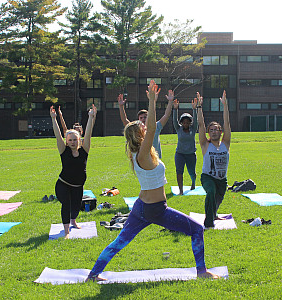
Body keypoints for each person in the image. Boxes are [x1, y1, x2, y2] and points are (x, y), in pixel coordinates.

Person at [85, 81, 219, 282]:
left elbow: (148, 126)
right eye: (143, 127)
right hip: (156, 209)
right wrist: (151, 101)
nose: (146, 127)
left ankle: (93, 275)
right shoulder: (144, 152)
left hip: (141, 207)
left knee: (120, 241)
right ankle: (202, 271)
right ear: (140, 135)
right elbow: (151, 124)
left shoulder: (143, 153)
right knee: (197, 229)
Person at [50, 104, 97, 239]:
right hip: (63, 184)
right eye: (69, 140)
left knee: (76, 207)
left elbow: (88, 134)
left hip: (78, 186)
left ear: (78, 140)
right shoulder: (63, 151)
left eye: (74, 139)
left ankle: (73, 221)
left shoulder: (84, 150)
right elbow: (58, 135)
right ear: (67, 141)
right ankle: (66, 231)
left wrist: (90, 117)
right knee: (66, 204)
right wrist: (54, 119)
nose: (72, 142)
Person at [196, 90, 231, 229]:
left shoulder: (225, 143)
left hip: (222, 180)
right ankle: (209, 223)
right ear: (208, 133)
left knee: (217, 200)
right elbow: (200, 125)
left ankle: (214, 214)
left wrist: (225, 105)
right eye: (211, 130)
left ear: (221, 132)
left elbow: (227, 123)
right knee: (210, 192)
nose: (214, 131)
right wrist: (199, 107)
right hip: (208, 177)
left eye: (216, 129)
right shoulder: (205, 144)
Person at [117, 90, 174, 158]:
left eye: (145, 117)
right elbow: (125, 120)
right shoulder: (136, 129)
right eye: (141, 118)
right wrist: (121, 106)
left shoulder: (157, 126)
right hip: (143, 159)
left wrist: (170, 102)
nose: (143, 119)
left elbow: (166, 115)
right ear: (138, 119)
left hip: (155, 159)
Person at [173, 96, 198, 195]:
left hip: (191, 154)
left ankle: (193, 183)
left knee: (192, 171)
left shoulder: (193, 128)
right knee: (179, 171)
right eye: (184, 122)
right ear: (181, 123)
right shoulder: (178, 129)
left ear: (190, 123)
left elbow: (196, 120)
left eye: (187, 122)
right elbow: (174, 120)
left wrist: (194, 109)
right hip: (180, 154)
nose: (186, 124)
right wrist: (175, 108)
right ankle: (181, 190)